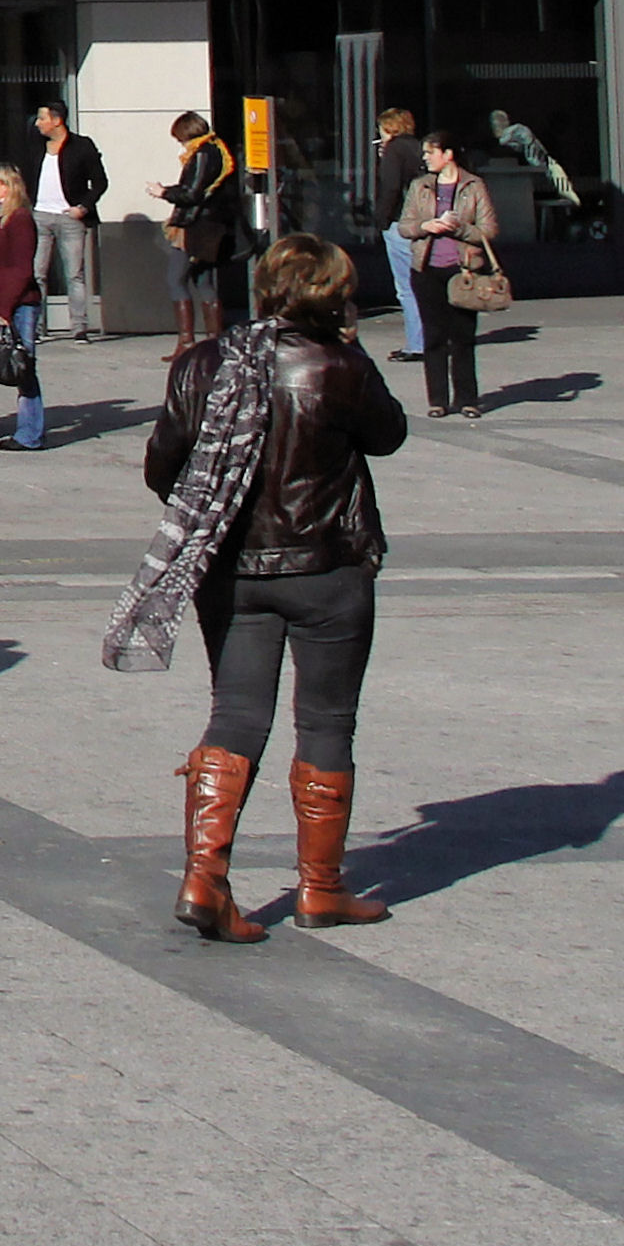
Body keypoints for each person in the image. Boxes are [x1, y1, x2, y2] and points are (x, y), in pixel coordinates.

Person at [128, 230, 409, 941]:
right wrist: (352, 353)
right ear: (333, 296)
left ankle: (205, 878)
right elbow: (388, 435)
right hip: (329, 568)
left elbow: (164, 466)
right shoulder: (340, 365)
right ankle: (320, 888)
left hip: (233, 572)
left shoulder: (203, 364)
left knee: (236, 716)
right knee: (326, 721)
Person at [394, 135, 501, 420]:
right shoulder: (420, 186)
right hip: (427, 269)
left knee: (463, 336)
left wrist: (459, 228)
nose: (425, 158)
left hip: (463, 271)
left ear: (448, 153)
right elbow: (405, 227)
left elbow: (489, 230)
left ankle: (467, 399)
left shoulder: (473, 186)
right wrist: (426, 225)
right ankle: (438, 400)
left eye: (430, 153)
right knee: (434, 337)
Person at [0, 165, 50, 450]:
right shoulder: (3, 219)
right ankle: (29, 431)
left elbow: (21, 270)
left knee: (23, 368)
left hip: (22, 304)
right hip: (12, 302)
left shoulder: (20, 220)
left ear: (6, 187)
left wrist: (6, 309)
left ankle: (30, 434)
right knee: (21, 368)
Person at [165, 113, 246, 345]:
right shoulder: (217, 150)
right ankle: (214, 340)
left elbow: (192, 193)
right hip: (212, 225)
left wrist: (164, 192)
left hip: (196, 226)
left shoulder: (201, 154)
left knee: (175, 279)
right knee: (203, 280)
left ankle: (186, 341)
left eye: (181, 139)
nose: (181, 144)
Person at [32, 103, 108, 343]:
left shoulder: (81, 146)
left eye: (41, 118)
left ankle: (79, 327)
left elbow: (100, 182)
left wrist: (82, 208)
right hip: (40, 216)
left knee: (74, 274)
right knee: (37, 273)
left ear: (57, 120)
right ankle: (37, 326)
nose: (37, 123)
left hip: (70, 217)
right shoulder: (35, 146)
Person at [370, 105, 431, 363]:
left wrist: (381, 219)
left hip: (399, 222)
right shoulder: (420, 148)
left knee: (406, 287)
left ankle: (417, 343)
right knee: (423, 282)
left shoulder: (394, 150)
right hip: (422, 222)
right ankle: (429, 338)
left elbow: (391, 187)